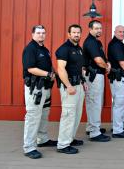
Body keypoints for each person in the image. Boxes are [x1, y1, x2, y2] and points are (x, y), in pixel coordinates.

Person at [22, 25, 56, 159]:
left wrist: (54, 72)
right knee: (33, 116)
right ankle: (29, 147)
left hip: (46, 87)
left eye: (43, 33)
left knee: (44, 114)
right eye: (38, 33)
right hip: (35, 88)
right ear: (32, 34)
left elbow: (48, 65)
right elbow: (30, 68)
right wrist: (48, 73)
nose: (41, 35)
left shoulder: (44, 49)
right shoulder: (30, 49)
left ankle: (42, 139)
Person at [55, 24, 87, 154]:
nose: (76, 35)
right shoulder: (64, 49)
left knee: (77, 114)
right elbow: (60, 69)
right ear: (69, 34)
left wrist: (83, 81)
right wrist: (68, 86)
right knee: (68, 115)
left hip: (79, 85)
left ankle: (70, 138)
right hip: (70, 87)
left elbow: (80, 68)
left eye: (78, 32)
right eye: (74, 32)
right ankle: (62, 144)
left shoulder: (79, 49)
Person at [83, 20, 111, 142]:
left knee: (92, 103)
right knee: (95, 103)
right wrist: (107, 67)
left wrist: (107, 63)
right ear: (90, 29)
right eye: (96, 28)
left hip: (96, 75)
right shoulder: (90, 42)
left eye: (100, 28)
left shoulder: (96, 42)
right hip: (93, 76)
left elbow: (103, 58)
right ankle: (95, 132)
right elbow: (98, 60)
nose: (99, 30)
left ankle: (91, 127)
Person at [107, 25, 124, 138]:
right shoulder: (116, 45)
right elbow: (122, 62)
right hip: (119, 77)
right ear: (115, 32)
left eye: (123, 32)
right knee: (120, 103)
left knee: (118, 103)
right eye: (120, 32)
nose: (122, 34)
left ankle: (118, 125)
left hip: (117, 78)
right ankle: (118, 130)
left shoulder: (116, 44)